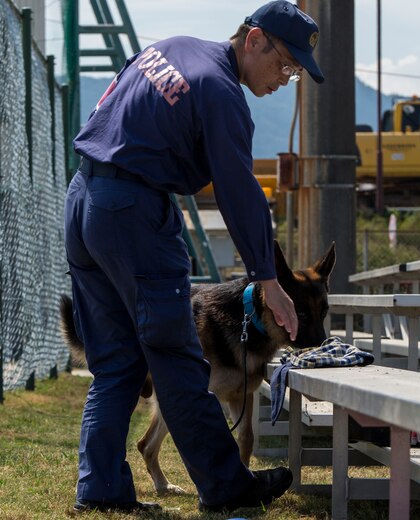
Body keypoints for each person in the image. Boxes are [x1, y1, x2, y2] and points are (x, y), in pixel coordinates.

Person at [64, 0, 324, 513]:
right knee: (178, 356)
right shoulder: (222, 92)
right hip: (134, 210)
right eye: (286, 64)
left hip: (85, 198)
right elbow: (239, 192)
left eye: (294, 72)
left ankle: (101, 491)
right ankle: (228, 486)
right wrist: (267, 279)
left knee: (118, 363)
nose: (285, 78)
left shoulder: (172, 48)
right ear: (253, 40)